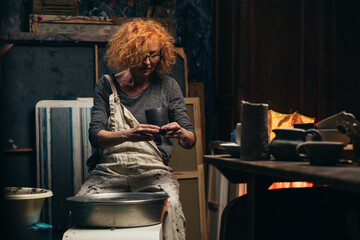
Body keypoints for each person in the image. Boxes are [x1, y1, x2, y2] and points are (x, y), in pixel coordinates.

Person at [76, 18, 196, 240]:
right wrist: (128, 134)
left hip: (152, 170)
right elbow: (95, 136)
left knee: (171, 207)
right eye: (141, 54)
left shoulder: (168, 86)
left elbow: (190, 139)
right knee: (84, 206)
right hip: (109, 170)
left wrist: (181, 133)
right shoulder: (106, 85)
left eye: (154, 54)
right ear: (126, 51)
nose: (148, 62)